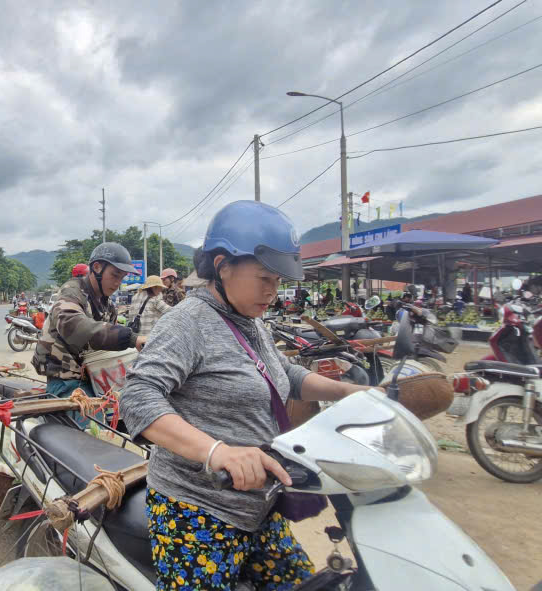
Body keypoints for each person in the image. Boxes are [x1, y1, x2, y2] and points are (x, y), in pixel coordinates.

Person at [121, 200, 368, 590]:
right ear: (222, 266)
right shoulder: (187, 322)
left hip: (258, 506)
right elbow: (137, 396)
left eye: (278, 281)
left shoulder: (249, 321)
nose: (273, 291)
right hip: (197, 513)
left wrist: (349, 391)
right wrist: (219, 452)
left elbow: (282, 373)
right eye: (265, 278)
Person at [32, 242, 146, 419]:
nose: (117, 283)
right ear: (97, 268)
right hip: (65, 377)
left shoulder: (107, 305)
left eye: (122, 278)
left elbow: (108, 343)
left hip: (94, 378)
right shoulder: (72, 292)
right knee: (92, 429)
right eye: (114, 275)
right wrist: (132, 338)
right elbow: (72, 324)